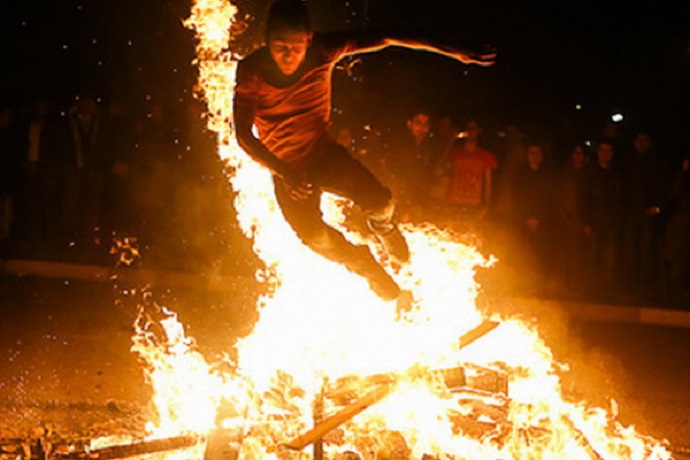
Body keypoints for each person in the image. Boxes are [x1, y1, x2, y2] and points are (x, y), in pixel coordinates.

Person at [233, 0, 494, 304]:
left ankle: (383, 229)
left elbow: (388, 36)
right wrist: (286, 173)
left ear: (308, 39)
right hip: (287, 170)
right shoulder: (252, 71)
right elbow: (243, 135)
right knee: (315, 238)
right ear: (266, 41)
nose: (288, 54)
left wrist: (454, 50)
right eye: (279, 46)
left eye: (295, 45)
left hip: (324, 156)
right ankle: (369, 269)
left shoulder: (324, 50)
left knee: (381, 202)